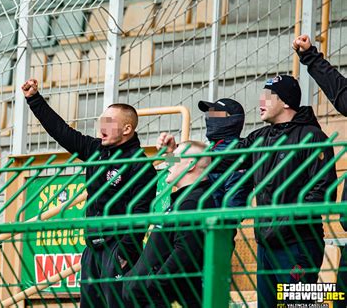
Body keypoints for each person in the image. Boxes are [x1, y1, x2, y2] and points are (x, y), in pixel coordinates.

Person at [158, 75, 338, 308]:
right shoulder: (261, 137)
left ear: (285, 102)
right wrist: (173, 154)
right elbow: (212, 162)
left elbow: (324, 191)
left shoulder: (312, 137)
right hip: (266, 244)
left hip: (298, 245)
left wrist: (284, 223)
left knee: (299, 305)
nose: (260, 101)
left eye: (267, 96)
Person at [21, 79, 157, 307]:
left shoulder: (139, 165)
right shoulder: (95, 149)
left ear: (127, 129)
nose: (101, 126)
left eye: (109, 122)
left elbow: (141, 214)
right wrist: (34, 99)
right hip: (92, 248)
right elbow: (61, 131)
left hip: (118, 249)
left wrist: (124, 254)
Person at [122, 141, 216, 307]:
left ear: (191, 164)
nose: (168, 164)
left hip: (154, 298)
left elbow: (185, 253)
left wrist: (152, 285)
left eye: (175, 159)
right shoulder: (185, 199)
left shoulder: (193, 202)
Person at [294, 34, 347, 308]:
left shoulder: (312, 138)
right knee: (335, 300)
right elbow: (341, 93)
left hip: (298, 238)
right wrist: (310, 56)